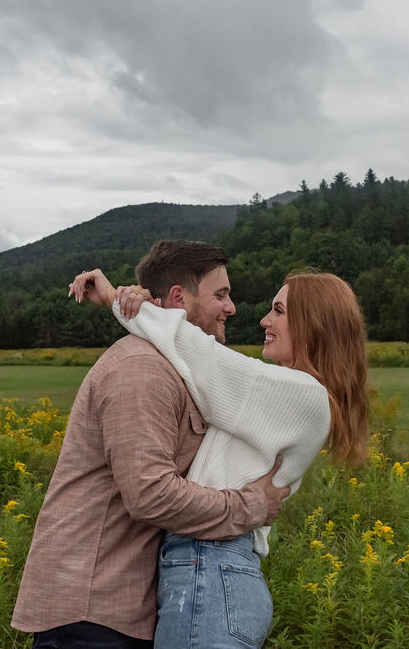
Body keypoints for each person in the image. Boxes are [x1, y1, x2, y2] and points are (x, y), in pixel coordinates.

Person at [68, 266, 370, 648]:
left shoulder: (302, 394)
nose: (265, 319)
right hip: (212, 569)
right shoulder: (286, 391)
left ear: (315, 324)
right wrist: (149, 305)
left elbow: (200, 356)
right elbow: (199, 369)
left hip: (209, 567)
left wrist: (118, 299)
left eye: (278, 311)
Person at [12, 240, 292, 649]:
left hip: (121, 609)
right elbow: (150, 493)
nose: (231, 307)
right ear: (179, 298)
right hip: (94, 612)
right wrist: (253, 506)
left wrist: (125, 301)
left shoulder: (180, 370)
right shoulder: (143, 370)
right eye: (220, 295)